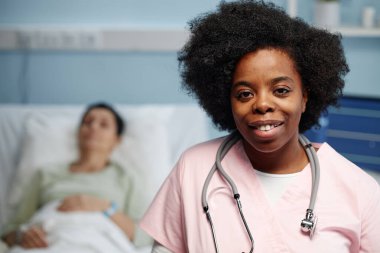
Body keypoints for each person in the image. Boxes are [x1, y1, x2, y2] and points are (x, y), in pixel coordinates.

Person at [139, 1, 380, 252]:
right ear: (226, 100)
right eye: (244, 94)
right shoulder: (193, 169)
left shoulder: (360, 190)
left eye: (281, 90)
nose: (262, 104)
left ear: (305, 96)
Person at [1, 102, 150, 251]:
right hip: (48, 239)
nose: (93, 127)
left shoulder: (127, 178)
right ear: (78, 132)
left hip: (101, 239)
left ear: (117, 140)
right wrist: (21, 235)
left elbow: (144, 236)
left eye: (103, 125)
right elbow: (10, 229)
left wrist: (103, 207)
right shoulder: (46, 174)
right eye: (87, 122)